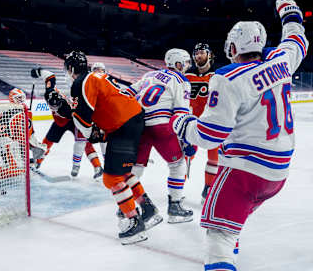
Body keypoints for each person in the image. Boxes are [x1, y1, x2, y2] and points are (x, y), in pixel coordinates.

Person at [170, 0, 308, 270]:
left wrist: (182, 124)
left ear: (233, 46)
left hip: (246, 171)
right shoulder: (281, 60)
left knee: (217, 238)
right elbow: (297, 39)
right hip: (279, 173)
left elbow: (210, 133)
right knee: (231, 224)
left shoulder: (227, 76)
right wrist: (290, 14)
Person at [65, 50, 159, 245]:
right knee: (123, 173)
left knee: (111, 178)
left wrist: (91, 133)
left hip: (122, 126)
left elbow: (83, 119)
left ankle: (134, 222)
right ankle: (148, 209)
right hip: (132, 120)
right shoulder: (98, 76)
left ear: (71, 69)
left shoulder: (81, 81)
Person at [126, 48, 194, 224]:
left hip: (138, 124)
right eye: (185, 63)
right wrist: (186, 139)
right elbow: (181, 113)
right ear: (177, 63)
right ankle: (175, 206)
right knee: (178, 164)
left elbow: (128, 94)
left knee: (137, 167)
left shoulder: (149, 75)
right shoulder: (181, 80)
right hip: (161, 125)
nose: (186, 66)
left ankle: (125, 205)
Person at [31, 68, 103, 179]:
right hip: (59, 123)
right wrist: (39, 71)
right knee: (48, 141)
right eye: (51, 106)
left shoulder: (67, 109)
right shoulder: (50, 92)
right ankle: (38, 161)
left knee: (85, 143)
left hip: (73, 121)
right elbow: (49, 75)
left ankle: (97, 166)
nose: (53, 108)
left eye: (56, 107)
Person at [0, 88, 46, 186]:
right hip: (9, 144)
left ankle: (4, 168)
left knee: (20, 171)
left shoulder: (10, 110)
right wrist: (35, 146)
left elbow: (24, 133)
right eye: (18, 98)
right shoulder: (18, 112)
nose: (21, 100)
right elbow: (24, 134)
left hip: (11, 144)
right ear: (12, 98)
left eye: (22, 98)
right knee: (18, 171)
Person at [185, 42, 221, 203]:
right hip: (191, 124)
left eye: (202, 52)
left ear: (209, 55)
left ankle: (208, 189)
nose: (199, 55)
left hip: (211, 122)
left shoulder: (218, 75)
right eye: (196, 53)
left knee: (214, 157)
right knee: (185, 156)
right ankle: (177, 188)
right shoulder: (187, 76)